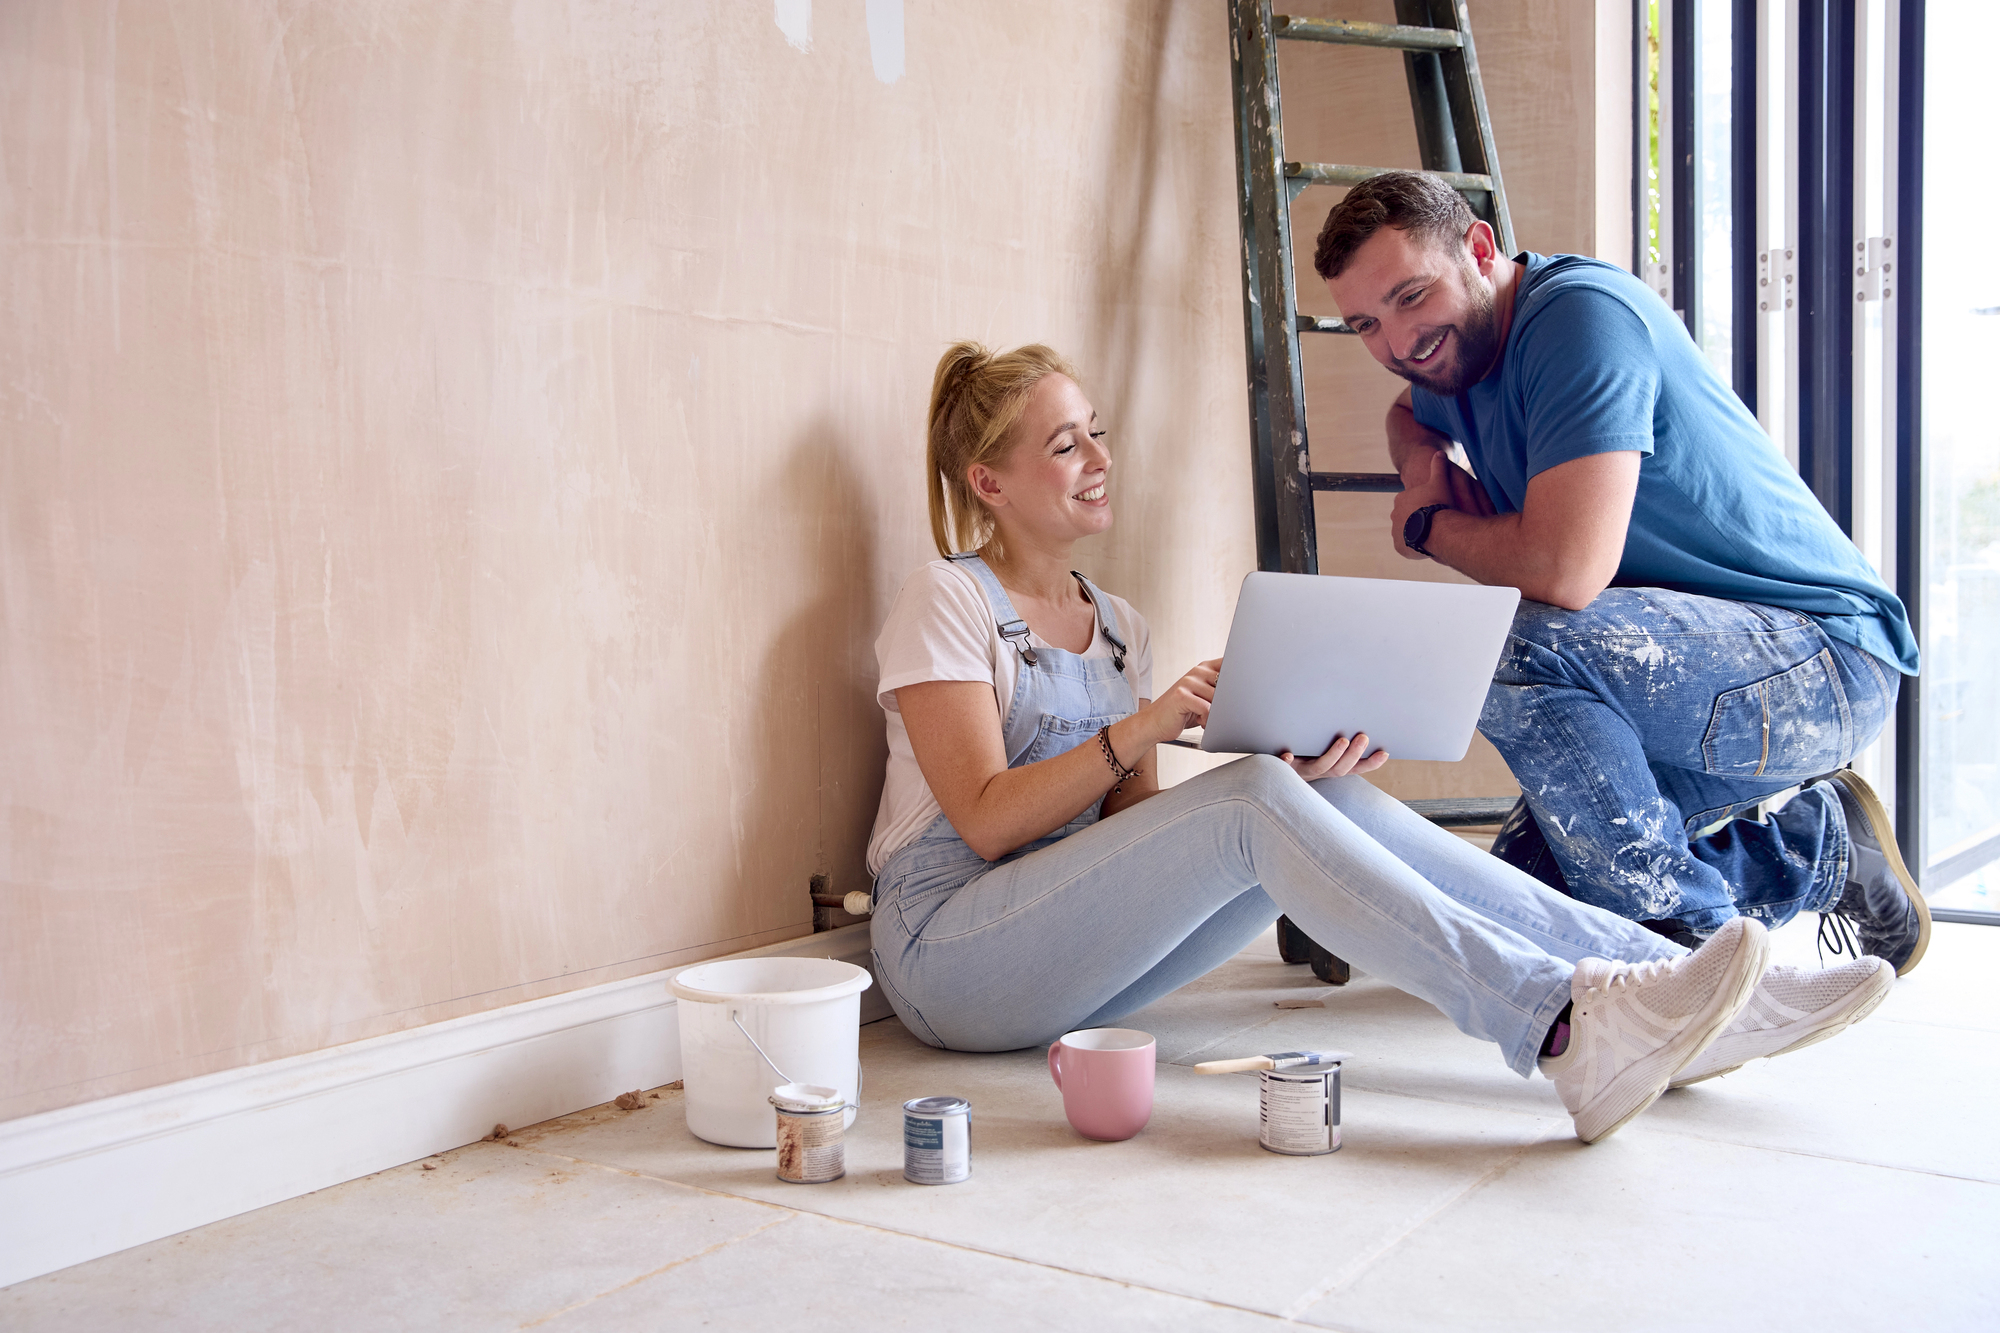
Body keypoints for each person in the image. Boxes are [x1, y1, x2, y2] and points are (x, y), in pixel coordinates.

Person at [863, 340, 1894, 1145]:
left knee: (1303, 794)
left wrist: (1301, 792)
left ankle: (1693, 986)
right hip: (945, 957)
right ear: (986, 483)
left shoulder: (1114, 619)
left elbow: (1130, 840)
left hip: (1058, 949)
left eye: (1094, 432)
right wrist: (1145, 728)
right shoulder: (946, 600)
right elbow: (990, 824)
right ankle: (1561, 1029)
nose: (1097, 459)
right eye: (1063, 445)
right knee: (1252, 798)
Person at [1312, 172, 1929, 974]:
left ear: (1480, 248)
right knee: (1527, 911)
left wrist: (1430, 522)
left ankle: (1684, 953)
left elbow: (1566, 573)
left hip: (1822, 660)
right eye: (1367, 323)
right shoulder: (1452, 358)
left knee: (1512, 641)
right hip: (1681, 684)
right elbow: (1406, 413)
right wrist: (1424, 462)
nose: (1398, 344)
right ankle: (1823, 848)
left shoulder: (1576, 320)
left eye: (1411, 297)